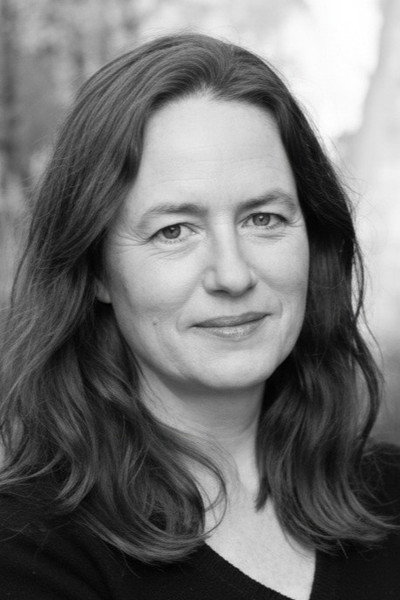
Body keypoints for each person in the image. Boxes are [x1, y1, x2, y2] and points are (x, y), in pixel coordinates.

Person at [0, 32, 399, 600]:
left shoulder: (389, 496)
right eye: (174, 231)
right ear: (94, 270)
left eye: (263, 218)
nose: (232, 275)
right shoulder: (29, 551)